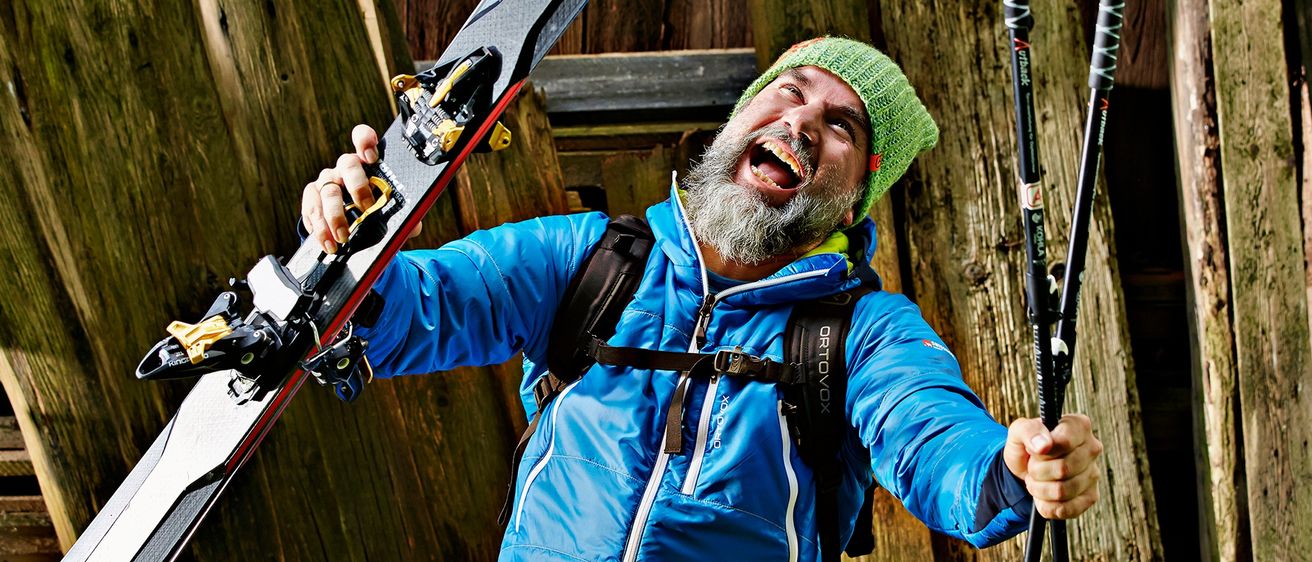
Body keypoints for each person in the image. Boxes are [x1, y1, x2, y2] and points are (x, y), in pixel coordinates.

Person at [301, 37, 1103, 561]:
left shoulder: (862, 332)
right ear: (740, 118)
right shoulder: (594, 260)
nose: (800, 122)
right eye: (787, 93)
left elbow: (933, 439)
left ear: (855, 199)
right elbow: (426, 306)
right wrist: (352, 251)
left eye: (840, 126)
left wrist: (1011, 469)